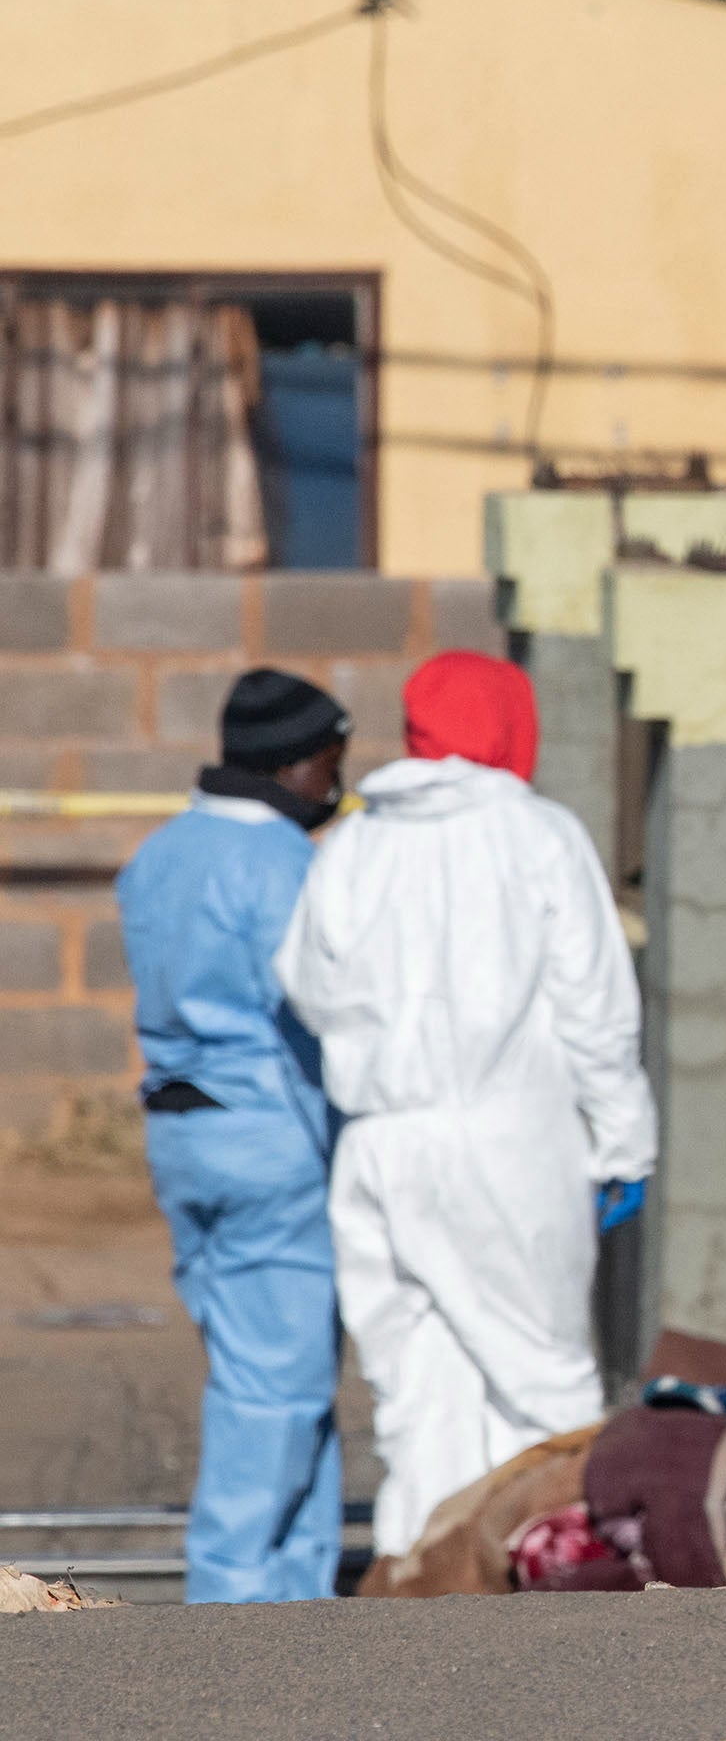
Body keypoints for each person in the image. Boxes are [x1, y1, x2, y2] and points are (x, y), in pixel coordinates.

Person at [273, 651, 655, 1561]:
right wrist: (624, 1143)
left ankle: (427, 1598)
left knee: (419, 1391)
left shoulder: (357, 843)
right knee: (545, 1381)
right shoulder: (539, 834)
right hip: (511, 1142)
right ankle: (558, 1574)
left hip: (380, 1146)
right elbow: (596, 1005)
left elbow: (304, 984)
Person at [115, 670, 352, 1603]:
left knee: (262, 1368)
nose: (339, 780)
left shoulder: (161, 853)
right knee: (275, 1392)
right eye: (333, 759)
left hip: (183, 1138)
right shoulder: (287, 867)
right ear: (297, 763)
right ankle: (228, 1607)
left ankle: (298, 1593)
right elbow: (323, 1004)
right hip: (270, 1139)